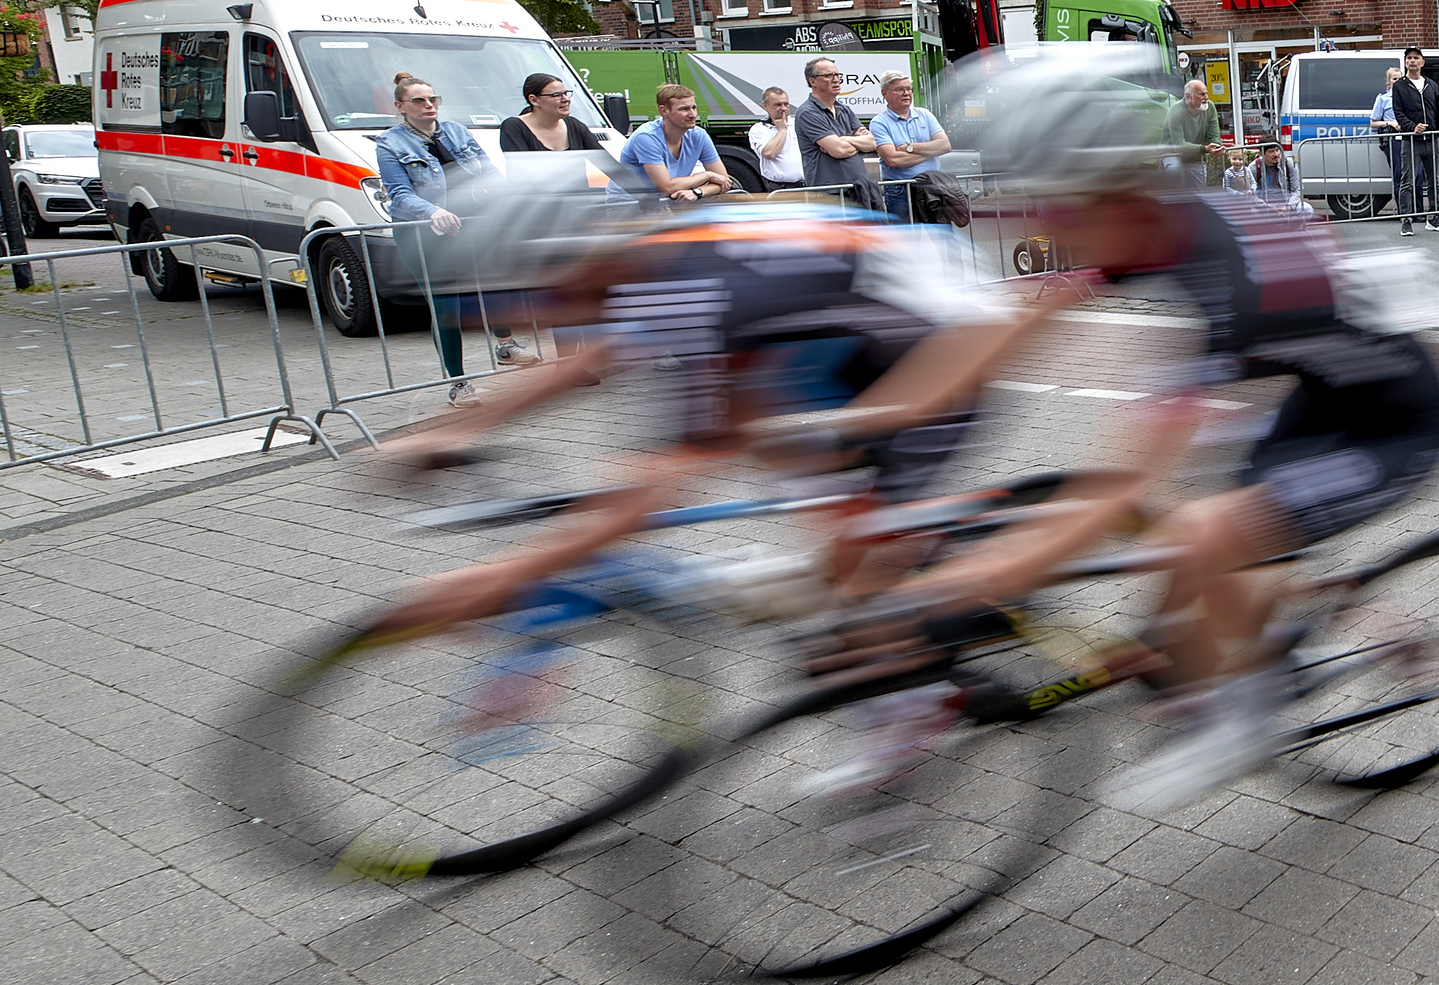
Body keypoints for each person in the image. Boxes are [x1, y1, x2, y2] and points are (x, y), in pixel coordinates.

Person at [813, 45, 1439, 807]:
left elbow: (1130, 480)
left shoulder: (1233, 277)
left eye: (1052, 202)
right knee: (1200, 542)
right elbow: (1010, 329)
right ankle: (1342, 616)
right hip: (1310, 395)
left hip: (1393, 421)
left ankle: (1237, 723)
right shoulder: (1139, 223)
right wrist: (865, 418)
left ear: (1111, 191)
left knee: (1204, 535)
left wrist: (977, 579)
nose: (1038, 218)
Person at [370, 200, 1060, 637]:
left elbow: (668, 476)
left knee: (857, 579)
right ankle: (902, 568)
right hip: (848, 348)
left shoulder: (684, 288)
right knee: (780, 454)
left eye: (517, 302)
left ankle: (913, 682)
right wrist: (455, 428)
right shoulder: (650, 262)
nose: (521, 321)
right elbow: (587, 364)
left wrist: (504, 574)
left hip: (937, 357)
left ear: (559, 271)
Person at [374, 72, 503, 408]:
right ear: (400, 106)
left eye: (433, 99)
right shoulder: (390, 143)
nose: (429, 105)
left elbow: (489, 172)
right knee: (447, 307)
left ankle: (506, 344)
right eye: (419, 100)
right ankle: (458, 382)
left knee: (497, 285)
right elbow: (399, 194)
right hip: (424, 234)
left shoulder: (458, 131)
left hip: (471, 226)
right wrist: (431, 212)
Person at [491, 73, 609, 370]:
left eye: (565, 92)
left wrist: (646, 195)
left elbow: (608, 164)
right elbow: (526, 175)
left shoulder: (575, 127)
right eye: (555, 95)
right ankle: (568, 365)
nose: (565, 98)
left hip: (579, 222)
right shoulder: (514, 128)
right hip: (542, 225)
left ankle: (586, 358)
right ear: (533, 100)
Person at [618, 83, 733, 201]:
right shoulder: (646, 137)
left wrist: (697, 192)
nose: (692, 115)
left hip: (665, 204)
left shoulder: (699, 135)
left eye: (693, 108)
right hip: (627, 206)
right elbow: (665, 188)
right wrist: (707, 175)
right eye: (684, 109)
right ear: (664, 111)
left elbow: (724, 180)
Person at [1391, 46, 1439, 237]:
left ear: (1422, 62)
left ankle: (1434, 218)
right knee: (1407, 182)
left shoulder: (1431, 85)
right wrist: (1412, 127)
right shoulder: (1399, 86)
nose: (1412, 61)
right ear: (1405, 62)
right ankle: (1406, 221)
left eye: (1416, 58)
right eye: (1409, 58)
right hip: (1411, 140)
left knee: (1434, 181)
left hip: (1431, 139)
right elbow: (1398, 112)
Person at [868, 70, 950, 220]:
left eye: (908, 89)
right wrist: (931, 151)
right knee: (906, 239)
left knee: (942, 235)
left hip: (931, 185)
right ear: (885, 93)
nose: (906, 93)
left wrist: (909, 148)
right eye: (899, 89)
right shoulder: (879, 123)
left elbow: (945, 145)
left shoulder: (924, 114)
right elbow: (893, 160)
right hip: (900, 191)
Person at [796, 57, 876, 196]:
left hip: (858, 189)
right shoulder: (807, 112)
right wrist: (855, 143)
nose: (836, 79)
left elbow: (872, 143)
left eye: (837, 75)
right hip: (830, 194)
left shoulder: (844, 109)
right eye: (828, 76)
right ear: (812, 81)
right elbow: (838, 150)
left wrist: (843, 139)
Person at [747, 86, 804, 190]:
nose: (783, 108)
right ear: (765, 106)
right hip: (780, 187)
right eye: (777, 105)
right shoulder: (759, 129)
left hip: (807, 185)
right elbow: (769, 153)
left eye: (786, 104)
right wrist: (782, 130)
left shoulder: (799, 124)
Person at [1173, 79, 1225, 188]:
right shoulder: (1175, 111)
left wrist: (1217, 146)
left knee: (1199, 194)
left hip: (1196, 157)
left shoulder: (1210, 107)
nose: (1206, 98)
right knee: (1174, 180)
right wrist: (1205, 149)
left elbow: (1214, 134)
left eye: (1206, 93)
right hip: (1173, 155)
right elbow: (1178, 145)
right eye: (1201, 94)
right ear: (1188, 96)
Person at [1247, 141, 1310, 219]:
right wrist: (1267, 208)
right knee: (1252, 213)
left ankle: (1292, 227)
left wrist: (1289, 206)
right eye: (1271, 151)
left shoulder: (1288, 163)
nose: (1276, 154)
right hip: (1265, 205)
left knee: (1307, 210)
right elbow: (1250, 193)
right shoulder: (1254, 167)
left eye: (1277, 150)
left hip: (1286, 203)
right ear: (1262, 154)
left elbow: (1297, 188)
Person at [1370, 65, 1403, 205]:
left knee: (1416, 175)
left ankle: (1416, 210)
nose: (1397, 81)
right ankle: (1403, 211)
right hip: (1393, 138)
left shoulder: (1408, 96)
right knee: (1398, 173)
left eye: (1400, 78)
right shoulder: (1383, 98)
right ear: (1389, 81)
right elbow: (1373, 122)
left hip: (1409, 137)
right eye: (1395, 79)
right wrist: (1390, 123)